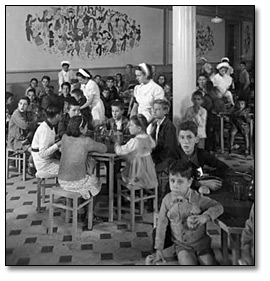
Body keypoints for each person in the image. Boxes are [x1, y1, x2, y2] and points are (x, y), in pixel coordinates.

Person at [153, 159, 224, 265]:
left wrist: (205, 217)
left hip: (202, 244)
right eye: (172, 180)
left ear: (189, 182)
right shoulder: (167, 200)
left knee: (209, 263)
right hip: (182, 246)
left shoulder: (197, 198)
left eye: (180, 181)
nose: (175, 185)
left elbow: (218, 207)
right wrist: (158, 249)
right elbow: (161, 224)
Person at [58, 115, 107, 224]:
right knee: (96, 181)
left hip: (61, 180)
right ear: (81, 129)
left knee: (87, 176)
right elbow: (103, 148)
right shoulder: (86, 141)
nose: (87, 129)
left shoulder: (65, 138)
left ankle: (81, 210)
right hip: (75, 182)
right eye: (86, 127)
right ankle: (90, 215)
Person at [166, 121, 229, 195]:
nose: (186, 141)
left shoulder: (201, 154)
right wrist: (200, 183)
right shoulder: (172, 155)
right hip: (176, 192)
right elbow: (178, 180)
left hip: (197, 190)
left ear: (196, 139)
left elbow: (224, 167)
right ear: (178, 139)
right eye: (182, 137)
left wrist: (208, 175)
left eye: (189, 137)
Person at [114, 114, 158, 190]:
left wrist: (117, 143)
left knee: (118, 175)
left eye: (131, 125)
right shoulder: (148, 137)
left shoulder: (135, 141)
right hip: (148, 174)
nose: (129, 127)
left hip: (136, 174)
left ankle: (121, 198)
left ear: (139, 128)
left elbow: (119, 151)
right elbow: (153, 145)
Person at [31, 104, 62, 177]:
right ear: (57, 115)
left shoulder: (50, 126)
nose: (61, 117)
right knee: (71, 169)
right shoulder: (44, 129)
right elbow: (42, 154)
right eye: (61, 115)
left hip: (47, 160)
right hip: (43, 164)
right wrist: (57, 145)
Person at [149, 99, 178, 173]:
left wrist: (155, 159)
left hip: (166, 158)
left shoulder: (169, 127)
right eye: (153, 109)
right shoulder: (155, 124)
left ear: (165, 111)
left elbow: (169, 148)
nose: (154, 112)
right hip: (157, 155)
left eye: (157, 109)